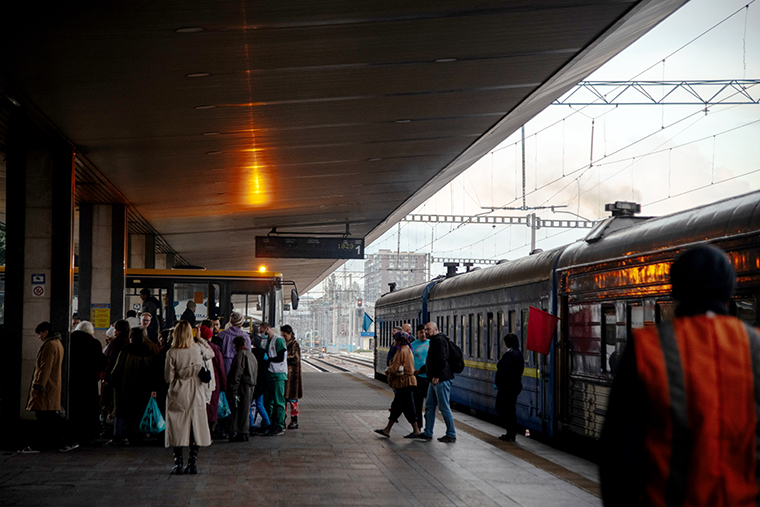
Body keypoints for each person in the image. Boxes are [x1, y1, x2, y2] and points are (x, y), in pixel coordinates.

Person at [600, 244, 760, 507]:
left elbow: (619, 449)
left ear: (675, 291)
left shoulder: (647, 348)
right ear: (729, 293)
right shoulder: (755, 348)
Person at [165, 321, 212, 474]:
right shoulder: (197, 348)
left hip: (179, 390)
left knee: (177, 426)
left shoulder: (172, 352)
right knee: (195, 427)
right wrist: (200, 339)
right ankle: (193, 462)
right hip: (196, 390)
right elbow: (210, 353)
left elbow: (168, 378)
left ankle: (178, 463)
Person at [107, 327, 159, 445]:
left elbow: (117, 369)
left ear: (131, 337)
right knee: (139, 411)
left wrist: (112, 380)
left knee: (121, 411)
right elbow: (153, 371)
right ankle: (137, 435)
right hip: (143, 387)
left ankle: (118, 435)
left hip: (125, 386)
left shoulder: (125, 350)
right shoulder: (149, 351)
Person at [24, 322, 65, 452]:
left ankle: (39, 444)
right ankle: (56, 443)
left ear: (46, 332)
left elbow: (44, 368)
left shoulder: (49, 345)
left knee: (42, 418)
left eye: (40, 333)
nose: (39, 337)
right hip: (54, 386)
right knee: (51, 418)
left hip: (46, 388)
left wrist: (39, 385)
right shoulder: (58, 344)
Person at [375, 331, 422, 439]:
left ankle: (416, 430)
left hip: (404, 383)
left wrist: (389, 374)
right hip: (407, 382)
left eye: (395, 339)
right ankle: (387, 430)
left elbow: (394, 368)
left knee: (408, 407)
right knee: (397, 407)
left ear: (398, 340)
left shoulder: (401, 351)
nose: (394, 341)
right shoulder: (408, 349)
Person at [417, 322, 456, 443]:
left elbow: (441, 359)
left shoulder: (439, 340)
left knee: (444, 407)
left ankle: (451, 433)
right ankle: (428, 432)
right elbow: (431, 361)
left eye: (428, 329)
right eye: (425, 329)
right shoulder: (435, 340)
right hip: (434, 379)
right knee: (429, 406)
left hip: (441, 379)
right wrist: (422, 370)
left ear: (436, 329)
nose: (426, 332)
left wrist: (437, 375)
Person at [69, 321, 106, 446]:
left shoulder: (69, 340)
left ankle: (73, 434)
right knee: (88, 408)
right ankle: (88, 435)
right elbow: (101, 363)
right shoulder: (94, 343)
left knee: (74, 407)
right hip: (88, 381)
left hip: (72, 380)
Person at [227, 335, 258, 442]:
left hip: (242, 386)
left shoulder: (240, 355)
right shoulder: (251, 355)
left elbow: (237, 374)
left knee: (240, 409)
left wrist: (233, 389)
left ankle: (242, 432)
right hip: (251, 385)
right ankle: (244, 432)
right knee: (246, 408)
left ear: (236, 345)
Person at [494, 333, 523, 442]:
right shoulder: (518, 353)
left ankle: (511, 431)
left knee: (501, 408)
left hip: (507, 387)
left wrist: (500, 384)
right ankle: (511, 432)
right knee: (510, 409)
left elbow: (503, 369)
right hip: (514, 386)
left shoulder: (510, 355)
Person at [199, 324, 226, 435]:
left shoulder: (194, 347)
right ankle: (211, 431)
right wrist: (224, 385)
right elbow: (221, 368)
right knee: (212, 407)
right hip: (213, 381)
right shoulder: (214, 348)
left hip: (200, 381)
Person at [262, 322, 288, 436]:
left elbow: (280, 357)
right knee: (268, 401)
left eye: (262, 331)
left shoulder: (279, 340)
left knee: (279, 401)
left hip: (278, 374)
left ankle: (279, 425)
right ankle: (270, 424)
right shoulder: (267, 341)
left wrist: (269, 359)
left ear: (267, 329)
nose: (261, 334)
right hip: (270, 374)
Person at [282, 325, 303, 430]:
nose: (284, 337)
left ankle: (294, 420)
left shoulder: (294, 344)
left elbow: (296, 358)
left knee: (292, 399)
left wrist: (284, 357)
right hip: (286, 375)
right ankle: (283, 419)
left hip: (293, 376)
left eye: (285, 335)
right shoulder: (285, 343)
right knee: (284, 399)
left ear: (290, 334)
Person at [249, 338, 271, 435]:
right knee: (260, 405)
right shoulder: (264, 353)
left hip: (252, 383)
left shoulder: (250, 353)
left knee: (249, 407)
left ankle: (251, 426)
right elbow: (267, 363)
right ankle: (268, 424)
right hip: (261, 383)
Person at [410, 324, 429, 430]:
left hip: (429, 378)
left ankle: (428, 428)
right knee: (417, 404)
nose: (423, 334)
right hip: (417, 378)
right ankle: (419, 427)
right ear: (417, 334)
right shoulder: (412, 345)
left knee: (430, 405)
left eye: (425, 332)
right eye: (421, 332)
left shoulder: (431, 344)